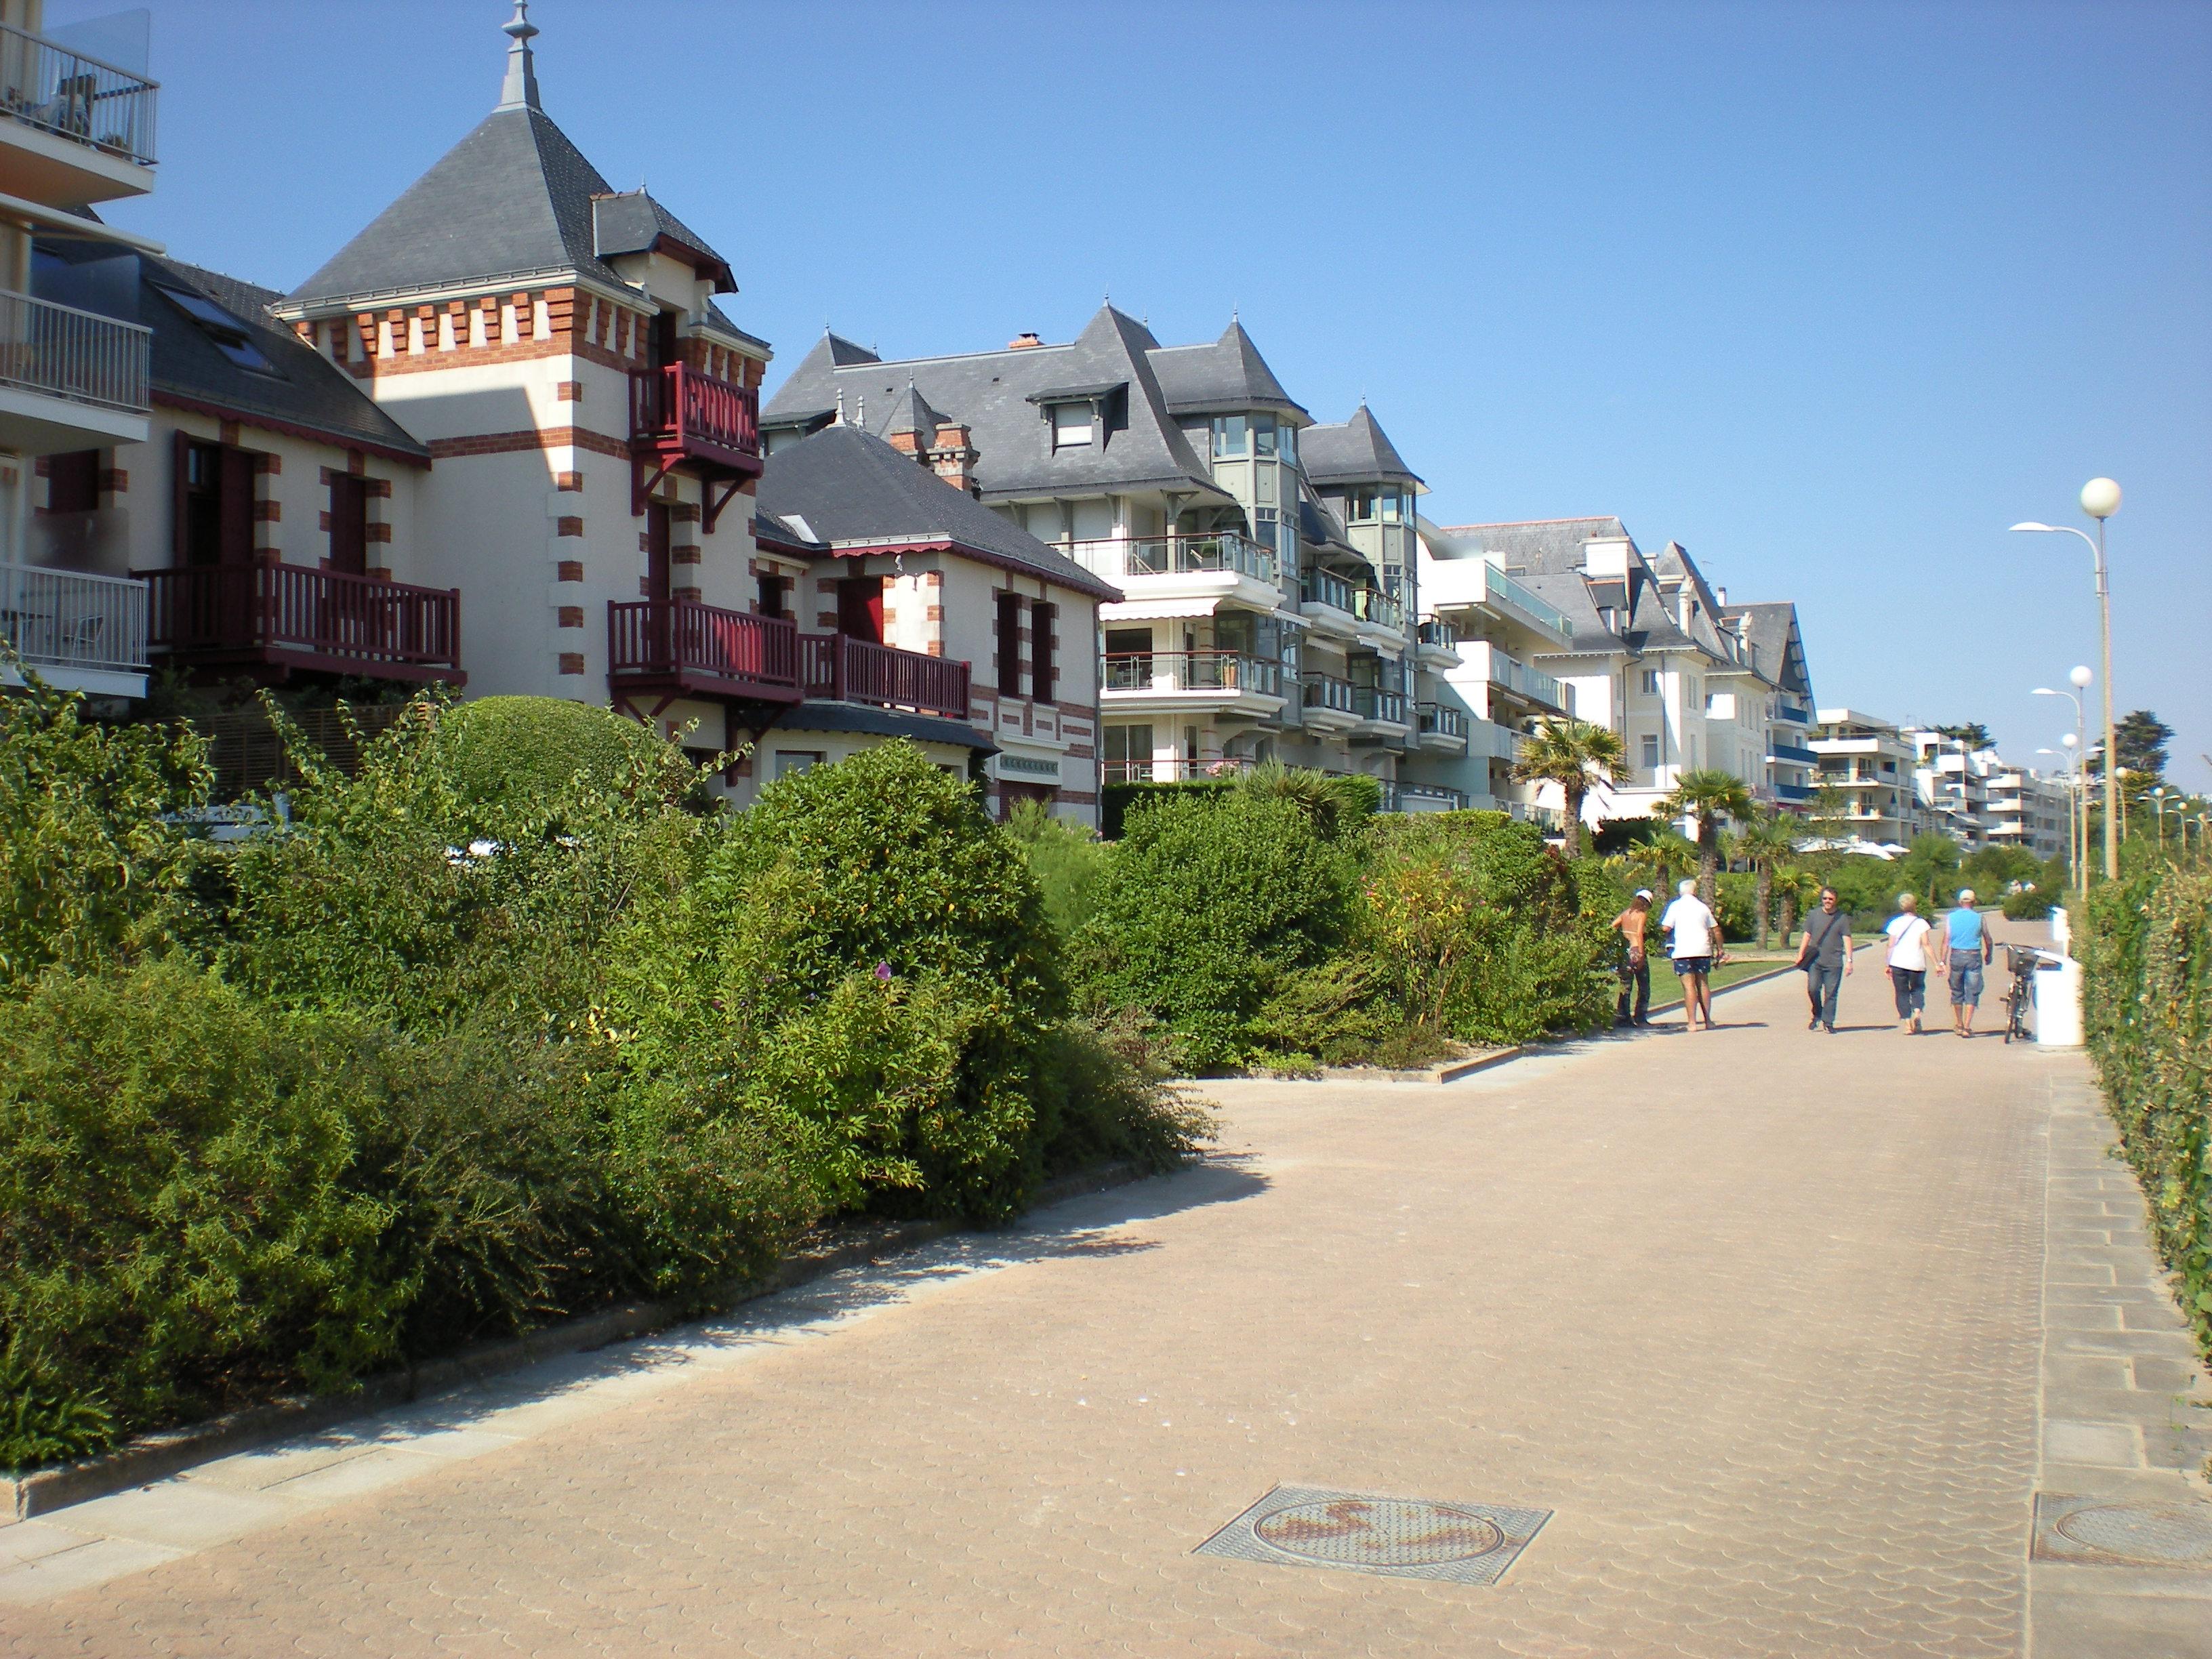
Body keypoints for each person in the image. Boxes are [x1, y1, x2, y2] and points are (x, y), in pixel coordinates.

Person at [1660, 878, 1721, 1032]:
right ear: (1695, 891)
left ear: (1681, 892)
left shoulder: (1675, 906)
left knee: (1689, 987)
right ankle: (1708, 1020)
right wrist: (1720, 949)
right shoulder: (1703, 907)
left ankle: (1692, 1023)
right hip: (1702, 950)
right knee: (1703, 984)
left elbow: (1666, 928)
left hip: (1683, 951)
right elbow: (1716, 929)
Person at [1934, 886, 1996, 1038]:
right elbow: (1988, 938)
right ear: (1974, 902)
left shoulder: (1951, 918)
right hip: (1974, 955)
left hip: (1956, 956)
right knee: (1972, 991)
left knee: (1957, 990)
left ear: (1960, 902)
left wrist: (1942, 960)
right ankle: (1967, 1026)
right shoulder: (1980, 918)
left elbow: (1946, 940)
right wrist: (1989, 954)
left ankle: (1959, 1023)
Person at [1793, 885, 1853, 1033]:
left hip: (1834, 962)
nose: (1827, 901)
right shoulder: (1814, 915)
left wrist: (1850, 961)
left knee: (1831, 994)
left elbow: (1847, 939)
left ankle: (1828, 1022)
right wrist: (1800, 954)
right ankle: (1817, 1013)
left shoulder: (1842, 918)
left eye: (1830, 899)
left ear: (1836, 900)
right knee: (1813, 989)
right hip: (1815, 961)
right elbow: (1807, 935)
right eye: (1825, 898)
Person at [1883, 891, 1933, 1033]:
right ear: (1914, 905)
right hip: (1917, 963)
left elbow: (1891, 945)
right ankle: (1917, 1013)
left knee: (1902, 992)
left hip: (1898, 963)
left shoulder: (1895, 923)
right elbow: (1926, 944)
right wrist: (1937, 963)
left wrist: (1887, 964)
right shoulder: (1921, 923)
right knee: (1917, 990)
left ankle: (1907, 1023)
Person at [1612, 889, 1654, 1027]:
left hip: (1625, 951)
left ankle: (1623, 1016)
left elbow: (1612, 926)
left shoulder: (1626, 913)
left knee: (1626, 985)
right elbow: (1639, 933)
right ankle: (1640, 1018)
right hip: (1636, 950)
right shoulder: (1641, 915)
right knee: (1644, 986)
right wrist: (1641, 954)